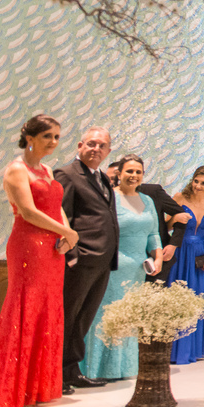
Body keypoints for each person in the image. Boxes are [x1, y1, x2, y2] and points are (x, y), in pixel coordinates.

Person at [0, 115, 78, 407]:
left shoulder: (45, 170)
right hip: (29, 246)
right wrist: (66, 231)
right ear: (30, 138)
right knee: (25, 307)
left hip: (53, 248)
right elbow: (28, 212)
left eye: (57, 136)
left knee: (47, 308)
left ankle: (37, 388)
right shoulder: (17, 170)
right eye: (47, 136)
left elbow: (56, 208)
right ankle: (12, 388)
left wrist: (67, 234)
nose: (53, 142)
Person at [80, 154, 162, 380]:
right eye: (129, 171)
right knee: (105, 315)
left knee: (129, 317)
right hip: (111, 267)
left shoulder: (148, 201)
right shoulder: (109, 198)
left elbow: (153, 233)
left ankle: (122, 369)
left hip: (138, 270)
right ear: (119, 173)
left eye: (138, 172)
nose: (134, 175)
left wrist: (158, 258)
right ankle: (96, 369)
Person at [54, 126, 119, 392]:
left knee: (82, 320)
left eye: (102, 145)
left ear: (109, 151)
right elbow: (61, 217)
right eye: (91, 144)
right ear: (80, 146)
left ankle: (72, 371)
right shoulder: (67, 174)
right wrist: (72, 255)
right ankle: (55, 375)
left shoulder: (102, 178)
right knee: (67, 318)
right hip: (80, 260)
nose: (96, 149)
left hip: (102, 262)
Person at [168, 165, 204, 365]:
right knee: (178, 299)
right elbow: (165, 225)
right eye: (196, 181)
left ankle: (194, 349)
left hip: (200, 253)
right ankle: (174, 350)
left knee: (197, 301)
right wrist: (174, 218)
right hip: (181, 252)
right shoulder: (180, 198)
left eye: (203, 183)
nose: (198, 185)